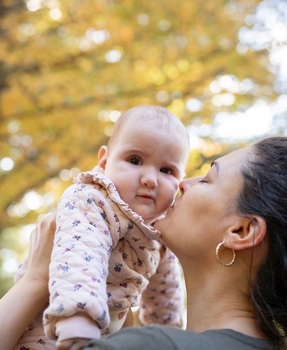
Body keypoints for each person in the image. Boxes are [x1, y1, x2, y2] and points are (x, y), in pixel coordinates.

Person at [0, 135, 287, 350]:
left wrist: (35, 281)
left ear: (241, 232)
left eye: (208, 179)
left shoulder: (150, 346)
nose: (183, 184)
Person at [14, 105, 190, 349]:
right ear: (105, 162)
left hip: (101, 335)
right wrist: (79, 316)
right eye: (135, 160)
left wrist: (170, 338)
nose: (150, 179)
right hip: (50, 328)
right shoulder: (91, 200)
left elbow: (165, 296)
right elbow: (80, 253)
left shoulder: (160, 232)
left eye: (166, 170)